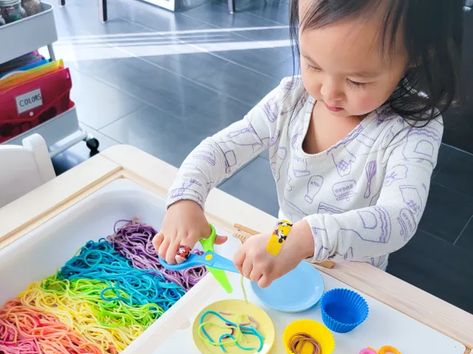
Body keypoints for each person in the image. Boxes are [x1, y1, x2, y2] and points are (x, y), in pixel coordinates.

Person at [153, 0, 463, 288]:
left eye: (356, 81)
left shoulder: (413, 128)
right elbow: (219, 150)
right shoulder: (290, 100)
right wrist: (186, 197)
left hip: (356, 272)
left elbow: (398, 218)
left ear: (416, 54)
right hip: (280, 241)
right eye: (313, 65)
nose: (329, 92)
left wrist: (305, 239)